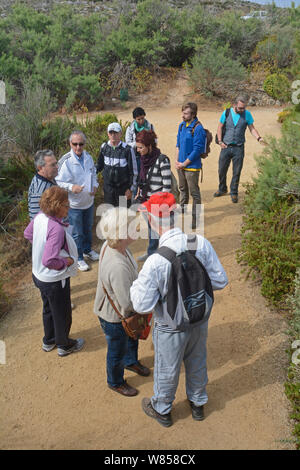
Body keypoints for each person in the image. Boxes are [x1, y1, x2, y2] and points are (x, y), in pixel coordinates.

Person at [130, 192, 228, 427]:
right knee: (197, 359)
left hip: (170, 325)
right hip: (199, 319)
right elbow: (220, 281)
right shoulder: (199, 243)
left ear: (153, 221)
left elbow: (141, 304)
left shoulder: (156, 261)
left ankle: (162, 408)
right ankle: (197, 403)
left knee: (167, 367)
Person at [94, 206, 150, 397]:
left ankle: (131, 361)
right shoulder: (117, 265)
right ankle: (115, 381)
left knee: (131, 338)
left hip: (118, 311)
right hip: (115, 317)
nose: (138, 228)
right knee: (116, 351)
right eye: (133, 226)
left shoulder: (112, 245)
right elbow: (127, 304)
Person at [24, 186, 84, 357]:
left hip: (39, 275)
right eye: (66, 205)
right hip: (54, 279)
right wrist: (66, 261)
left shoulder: (40, 217)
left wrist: (41, 245)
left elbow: (28, 234)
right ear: (57, 205)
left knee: (48, 309)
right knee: (62, 312)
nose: (69, 208)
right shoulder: (56, 229)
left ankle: (49, 340)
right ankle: (64, 345)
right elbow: (49, 260)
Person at [56, 130, 99, 272]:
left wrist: (95, 187)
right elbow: (58, 181)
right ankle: (78, 257)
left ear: (84, 144)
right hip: (74, 205)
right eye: (75, 144)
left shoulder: (89, 157)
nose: (78, 147)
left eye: (81, 144)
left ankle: (87, 250)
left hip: (88, 201)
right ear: (70, 143)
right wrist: (71, 187)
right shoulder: (66, 160)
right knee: (77, 233)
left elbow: (94, 175)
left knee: (87, 228)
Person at [214, 94, 264, 203]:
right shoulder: (226, 113)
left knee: (236, 171)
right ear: (234, 105)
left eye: (244, 108)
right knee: (221, 170)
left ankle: (234, 192)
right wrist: (220, 141)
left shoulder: (247, 114)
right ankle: (222, 188)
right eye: (240, 108)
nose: (242, 110)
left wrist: (259, 138)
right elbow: (220, 127)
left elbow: (252, 129)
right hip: (225, 146)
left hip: (239, 147)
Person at [134, 129, 172, 261]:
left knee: (161, 231)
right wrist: (139, 191)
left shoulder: (162, 160)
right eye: (137, 147)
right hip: (146, 202)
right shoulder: (143, 159)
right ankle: (151, 253)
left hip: (158, 204)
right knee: (151, 230)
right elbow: (142, 179)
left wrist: (159, 204)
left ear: (149, 146)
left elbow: (167, 187)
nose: (138, 150)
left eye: (140, 147)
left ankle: (162, 256)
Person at [175, 102, 207, 229]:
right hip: (181, 165)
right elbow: (178, 144)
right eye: (183, 112)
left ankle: (195, 218)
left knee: (194, 193)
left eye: (186, 113)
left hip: (192, 167)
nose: (183, 115)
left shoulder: (198, 128)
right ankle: (182, 209)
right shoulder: (182, 126)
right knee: (182, 189)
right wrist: (177, 161)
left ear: (193, 114)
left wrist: (184, 163)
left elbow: (197, 149)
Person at [96, 122, 137, 208]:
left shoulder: (128, 149)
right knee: (110, 216)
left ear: (121, 134)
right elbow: (99, 166)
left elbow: (134, 172)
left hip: (123, 190)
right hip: (108, 191)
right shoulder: (104, 147)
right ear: (108, 134)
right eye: (111, 133)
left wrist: (130, 189)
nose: (113, 135)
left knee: (123, 216)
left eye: (116, 133)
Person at [28, 150, 58, 220]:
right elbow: (37, 221)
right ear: (40, 168)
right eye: (52, 165)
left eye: (56, 163)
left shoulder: (50, 178)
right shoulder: (38, 192)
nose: (57, 167)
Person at [125, 107, 155, 174]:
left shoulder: (150, 126)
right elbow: (128, 143)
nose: (141, 121)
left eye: (142, 118)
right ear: (135, 119)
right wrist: (139, 144)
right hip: (136, 157)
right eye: (139, 119)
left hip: (149, 157)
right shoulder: (130, 129)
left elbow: (155, 140)